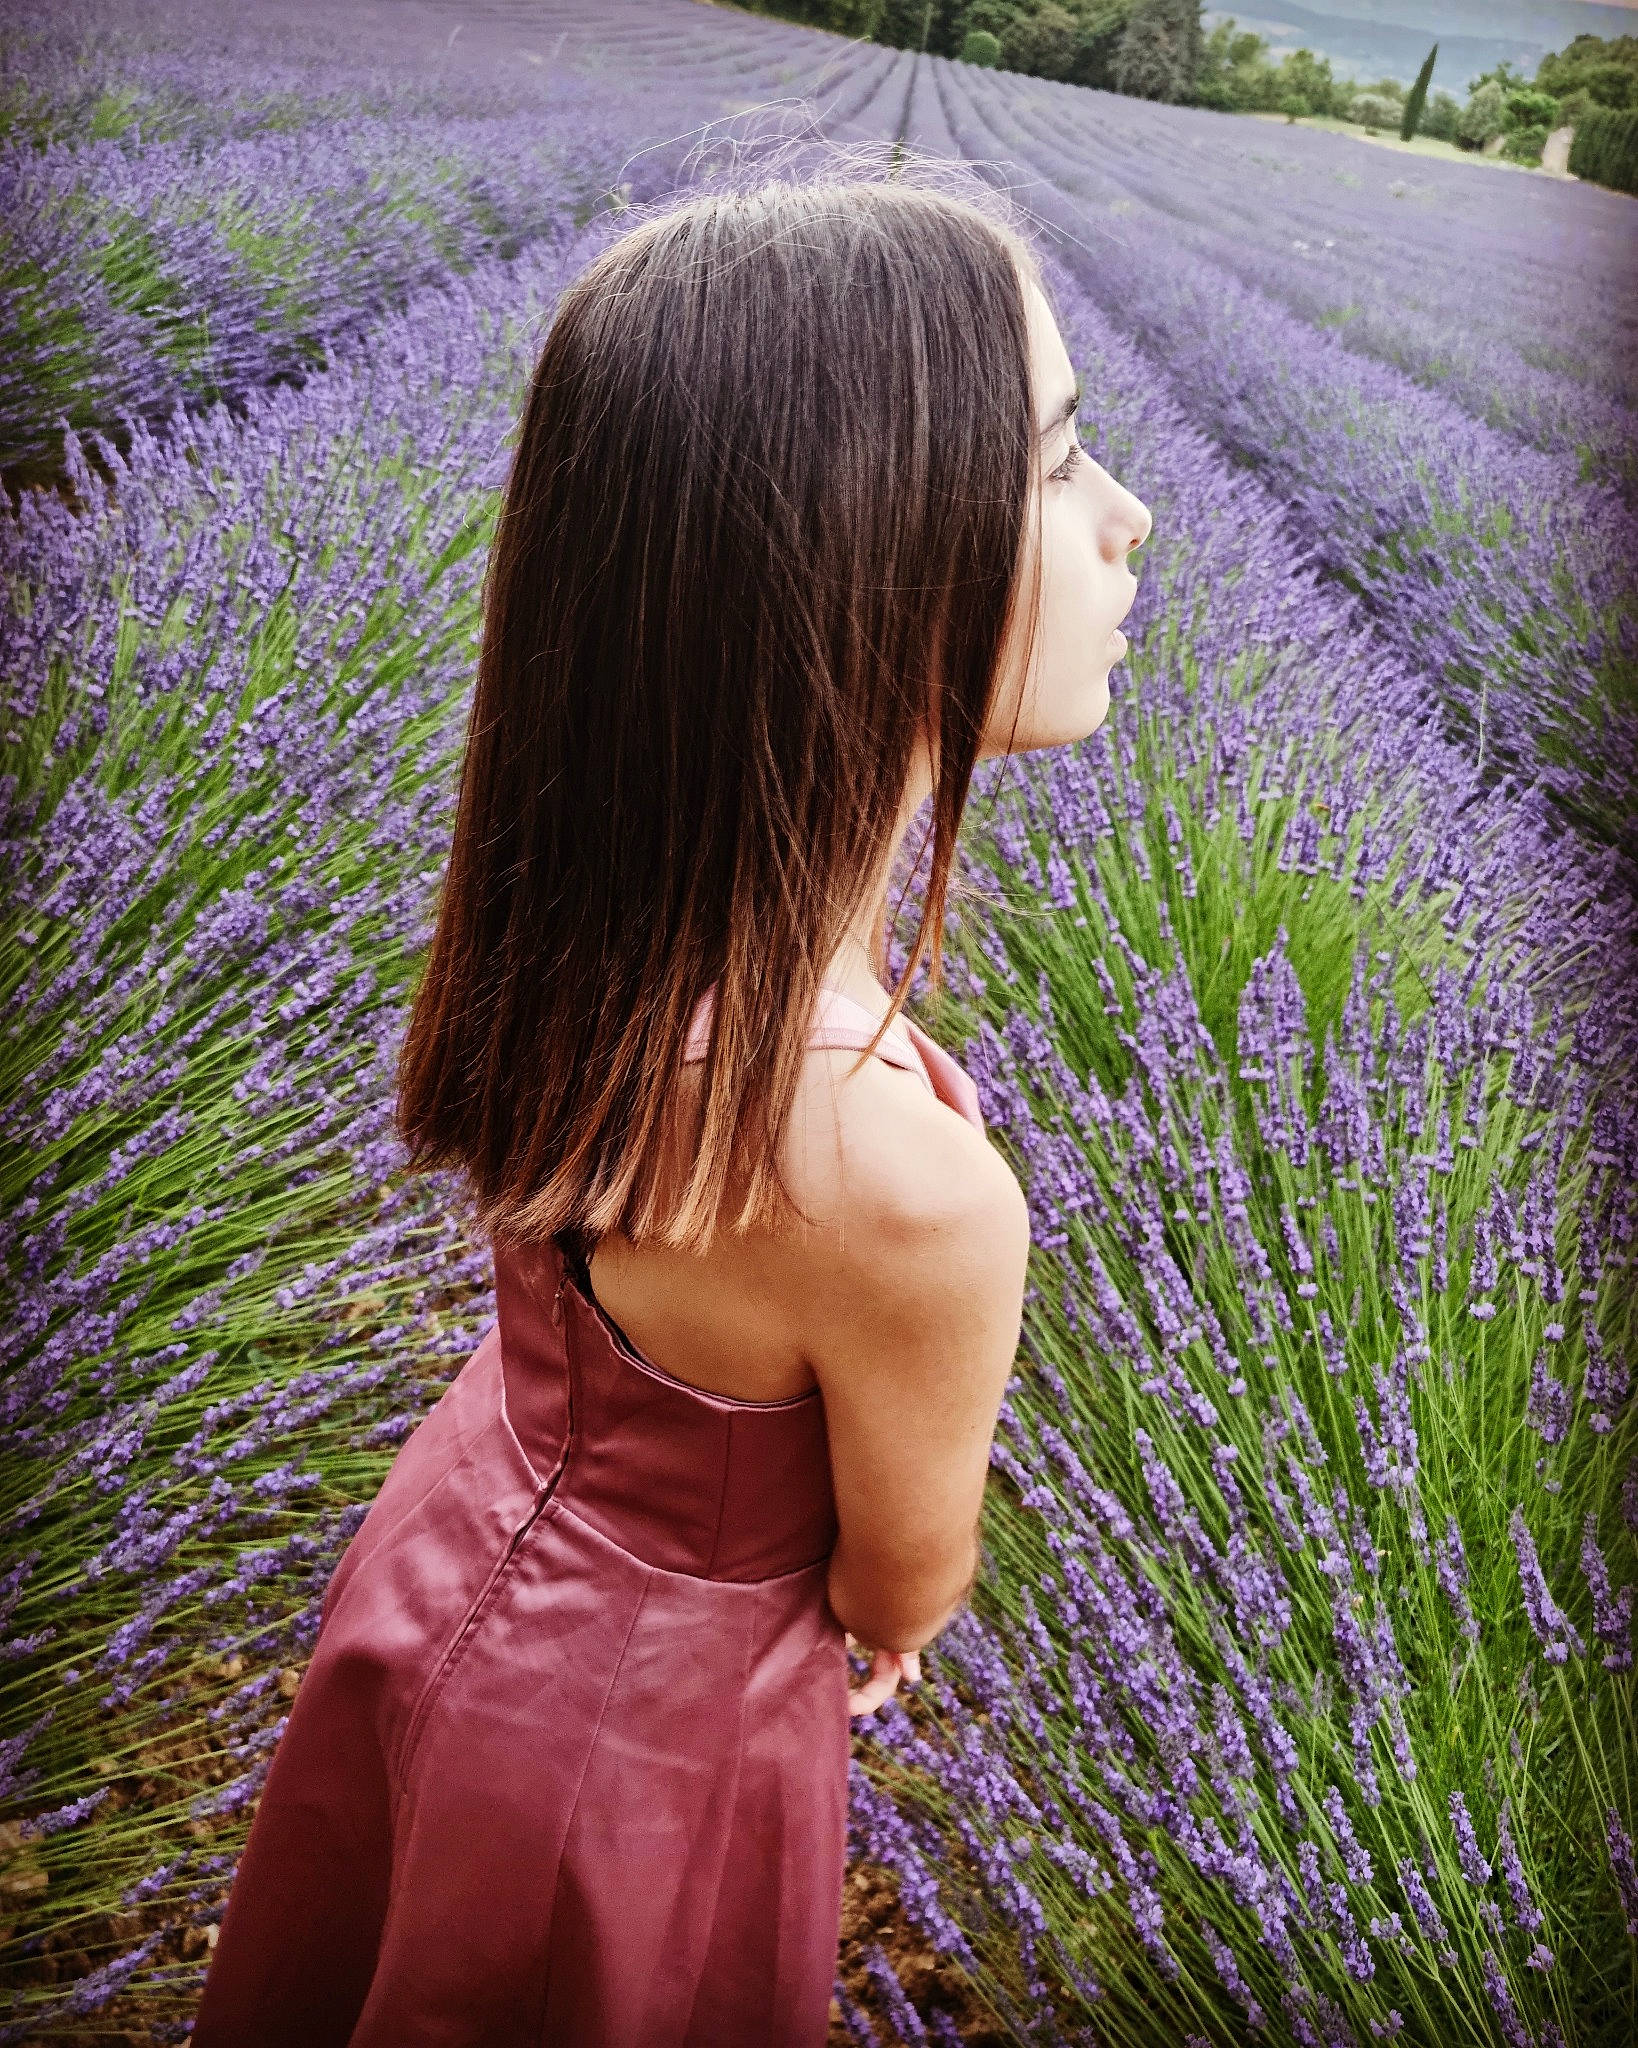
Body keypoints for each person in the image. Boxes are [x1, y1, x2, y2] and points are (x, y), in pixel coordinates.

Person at [190, 167, 1150, 2048]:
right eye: (1054, 458)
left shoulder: (612, 928)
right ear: (866, 542)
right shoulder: (902, 1190)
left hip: (458, 1564)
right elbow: (897, 1581)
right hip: (631, 1755)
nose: (1126, 517)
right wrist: (881, 1615)